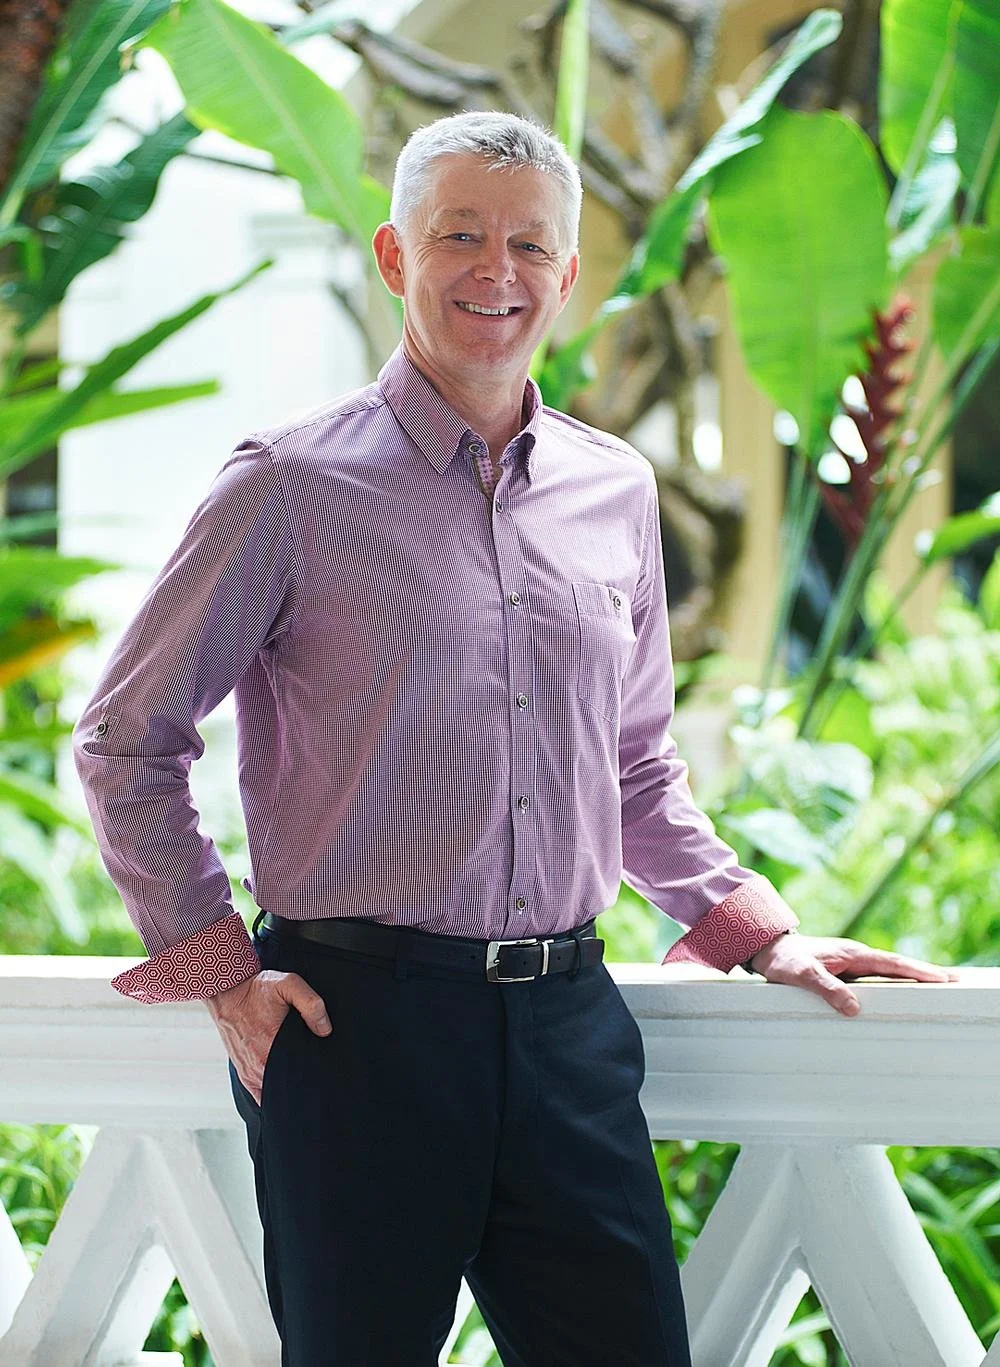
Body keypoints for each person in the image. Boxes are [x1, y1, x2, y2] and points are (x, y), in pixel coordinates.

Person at [73, 111, 955, 1367]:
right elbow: (124, 737)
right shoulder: (289, 487)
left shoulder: (616, 490)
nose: (498, 272)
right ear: (393, 256)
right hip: (355, 1031)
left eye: (531, 245)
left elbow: (636, 761)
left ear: (570, 274)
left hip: (569, 1029)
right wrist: (220, 968)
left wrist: (758, 928)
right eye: (461, 237)